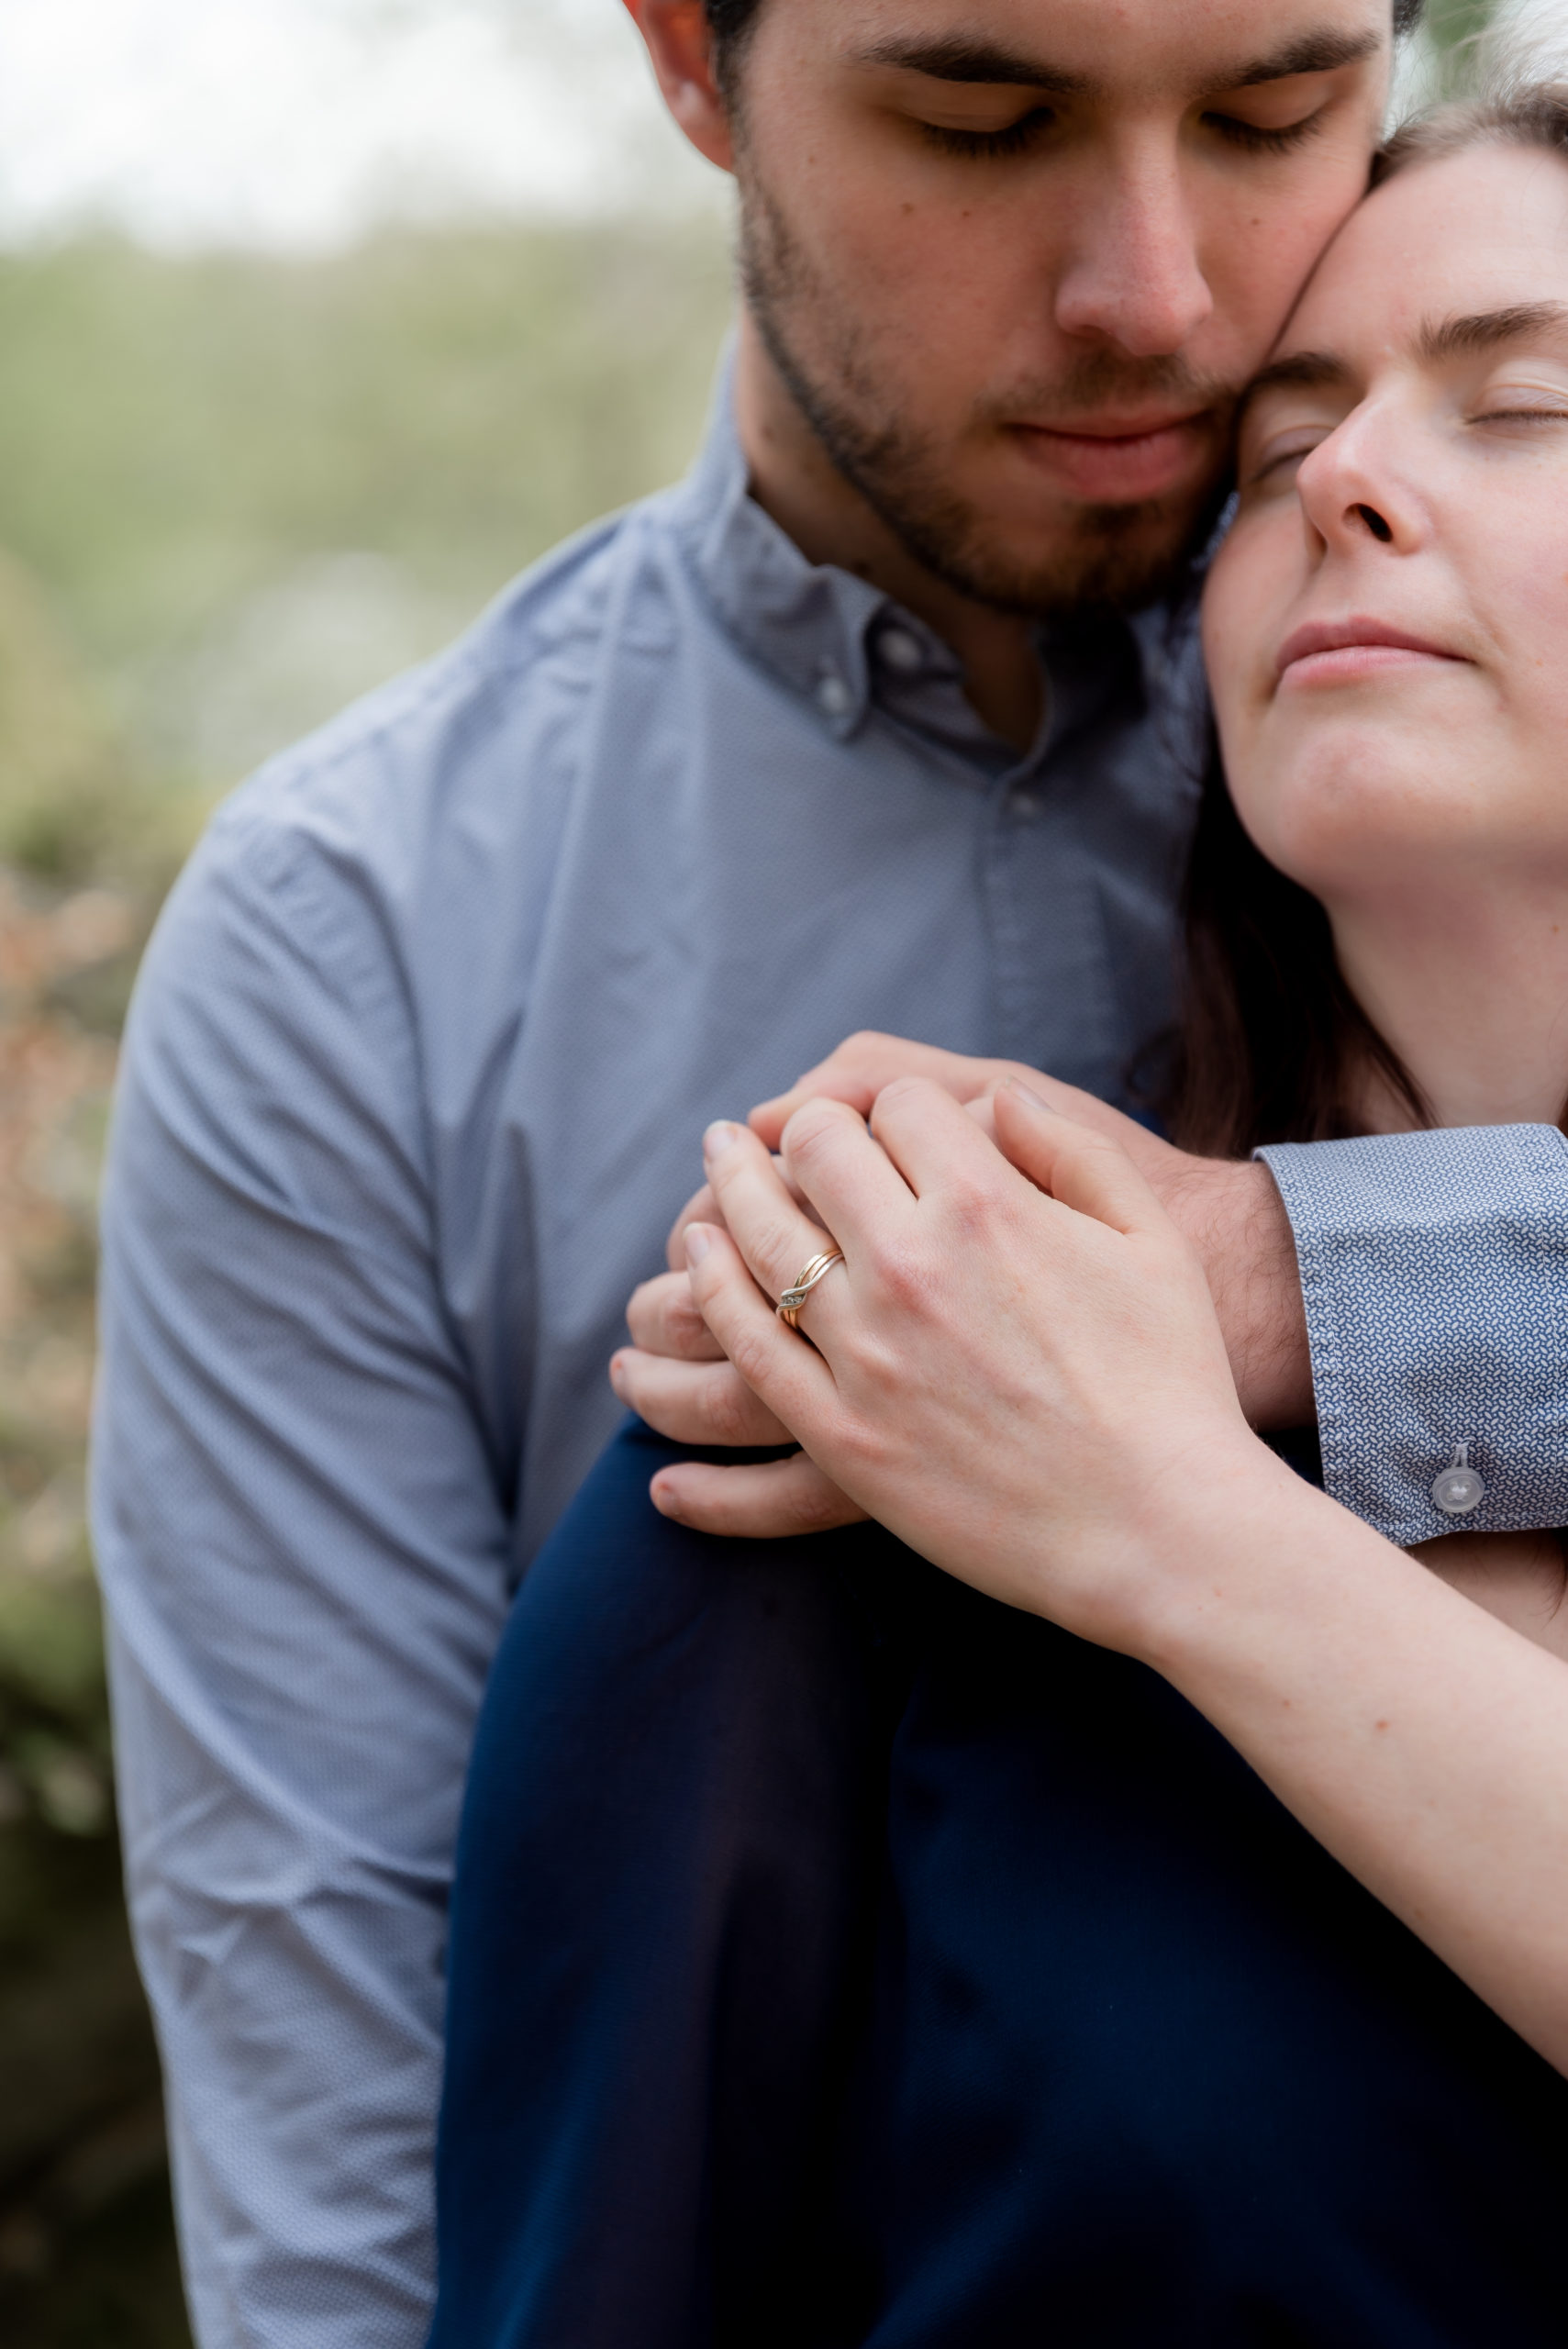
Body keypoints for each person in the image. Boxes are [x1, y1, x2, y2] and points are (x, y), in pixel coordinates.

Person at [87, 1, 1568, 2340]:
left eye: (1281, 111)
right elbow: (360, 2116)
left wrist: (1297, 1274)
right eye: (980, 119)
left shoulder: (1388, 671)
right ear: (694, 60)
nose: (1163, 297)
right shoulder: (355, 952)